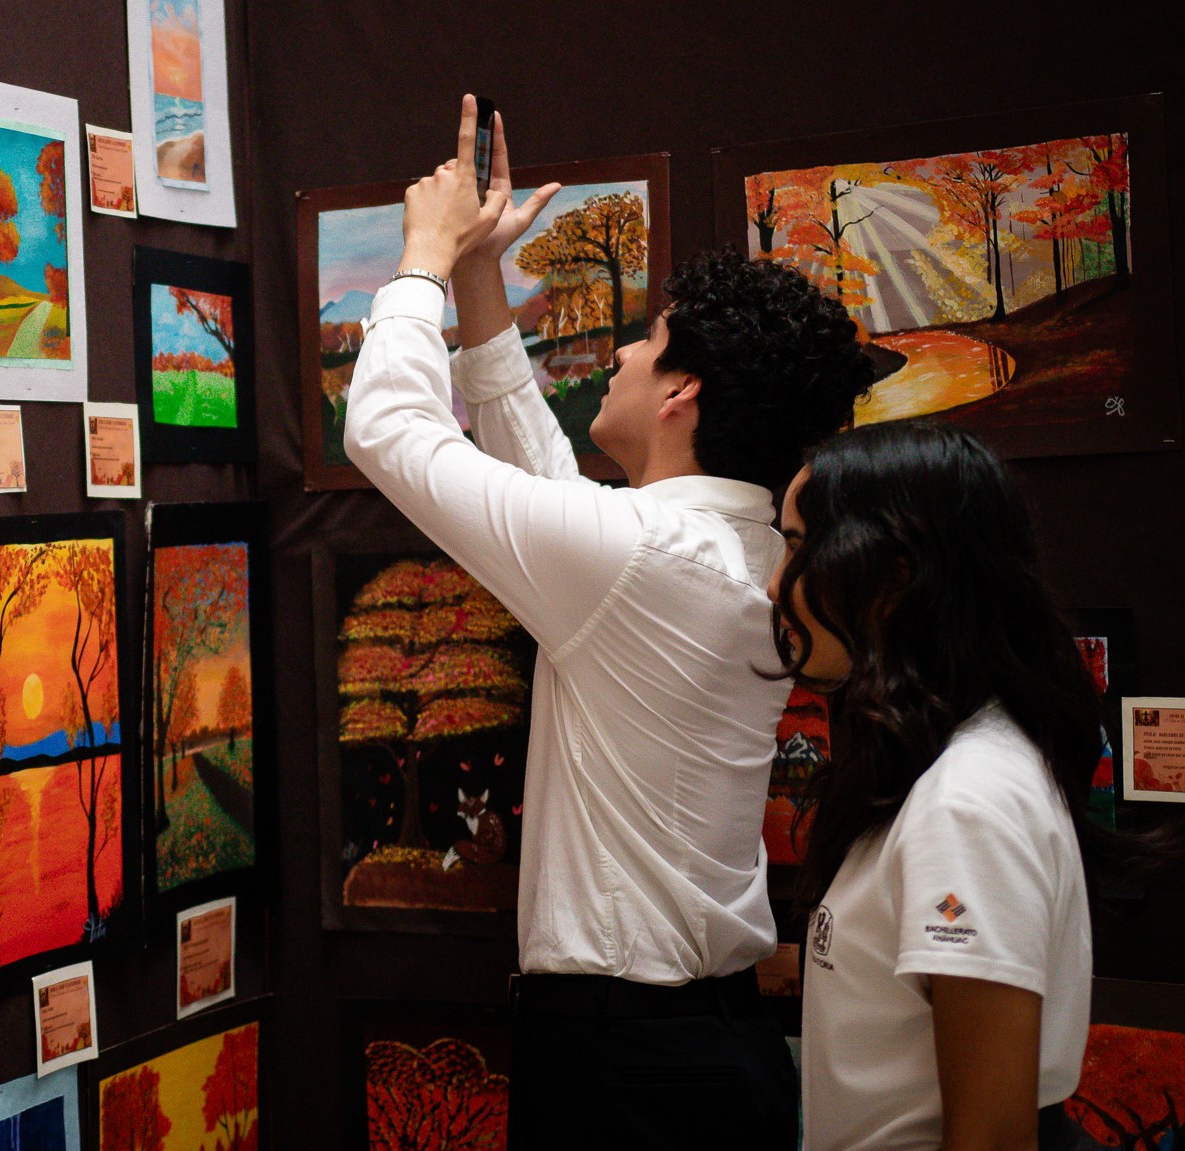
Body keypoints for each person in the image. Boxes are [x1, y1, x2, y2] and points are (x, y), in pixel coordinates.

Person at [342, 95, 873, 1148]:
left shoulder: (648, 559)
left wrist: (422, 259)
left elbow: (388, 428)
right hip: (690, 1047)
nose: (623, 355)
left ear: (682, 392)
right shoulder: (723, 548)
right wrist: (481, 275)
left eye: (648, 341)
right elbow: (548, 492)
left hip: (630, 1067)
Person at [768, 421, 1095, 1151]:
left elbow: (992, 1137)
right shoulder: (929, 766)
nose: (773, 583)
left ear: (893, 578)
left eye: (797, 547)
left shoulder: (966, 801)